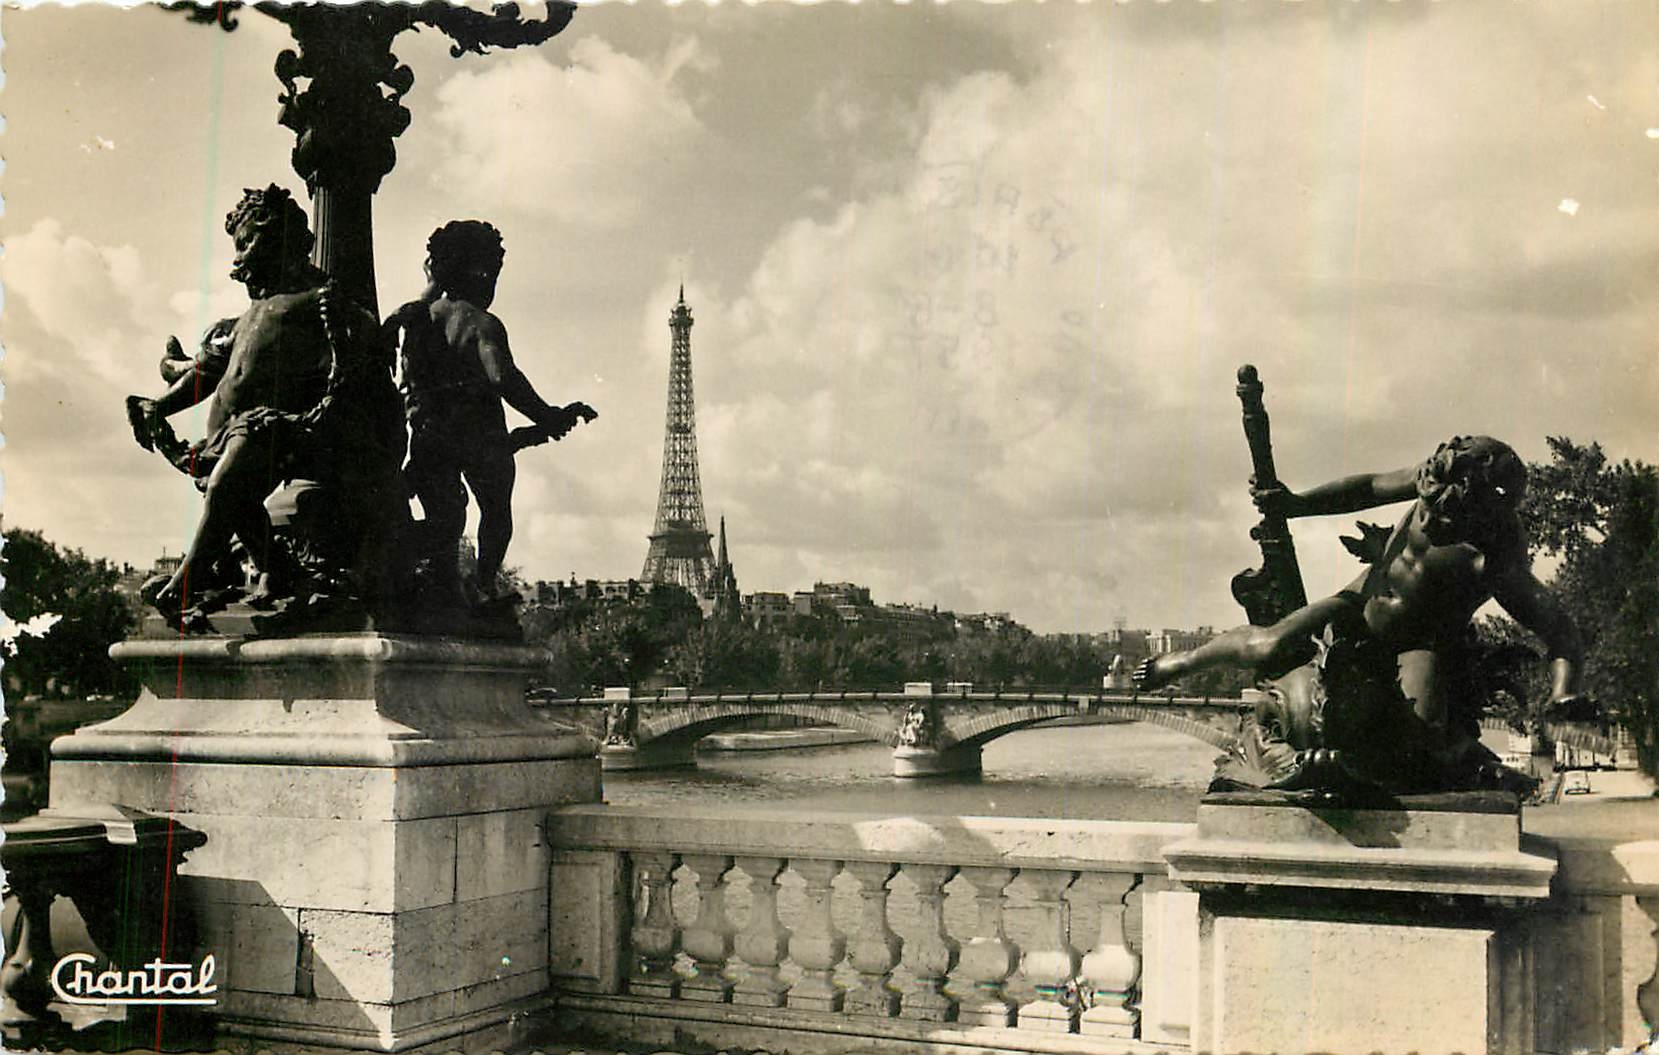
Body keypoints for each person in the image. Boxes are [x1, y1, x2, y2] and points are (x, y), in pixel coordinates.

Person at [1135, 435, 1586, 791]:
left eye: (1440, 522)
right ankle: (1179, 662)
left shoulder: (1497, 560)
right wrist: (1296, 505)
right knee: (1270, 643)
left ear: (1477, 525)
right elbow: (1367, 488)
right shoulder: (1440, 478)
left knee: (1426, 738)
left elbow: (1560, 631)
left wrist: (1564, 694)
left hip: (1417, 643)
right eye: (1423, 508)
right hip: (1356, 606)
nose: (1423, 522)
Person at [130, 185, 402, 625]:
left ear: (282, 241)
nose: (239, 258)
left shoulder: (318, 302)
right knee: (232, 497)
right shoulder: (255, 312)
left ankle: (184, 587)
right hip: (238, 430)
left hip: (283, 428)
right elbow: (210, 371)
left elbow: (356, 370)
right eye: (237, 247)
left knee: (226, 490)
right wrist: (160, 406)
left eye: (247, 244)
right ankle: (275, 570)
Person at [386, 220, 594, 605]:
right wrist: (546, 415)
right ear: (479, 272)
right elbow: (503, 377)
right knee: (496, 512)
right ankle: (483, 585)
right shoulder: (482, 324)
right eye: (493, 273)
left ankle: (418, 568)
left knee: (444, 520)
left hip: (430, 435)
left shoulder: (420, 318)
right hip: (480, 437)